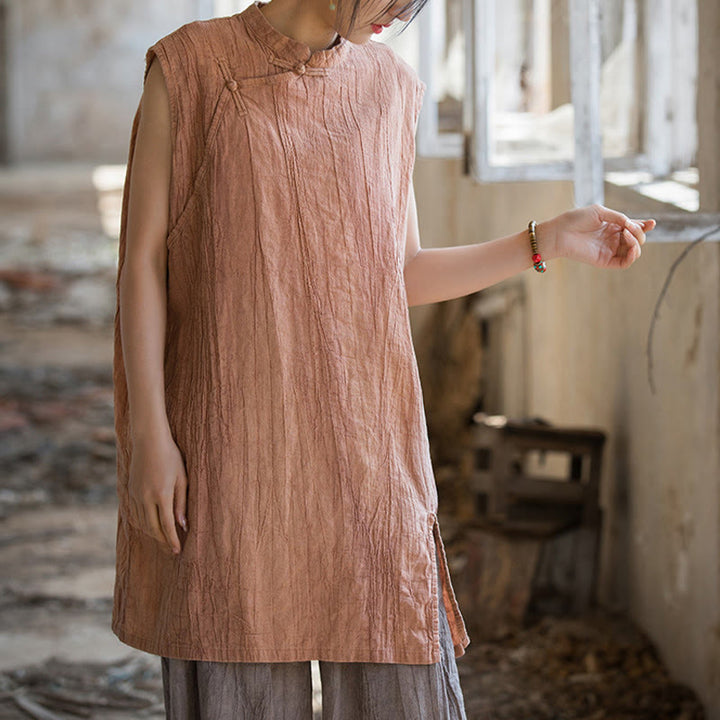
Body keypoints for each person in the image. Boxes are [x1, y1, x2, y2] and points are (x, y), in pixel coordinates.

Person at [111, 0, 656, 717]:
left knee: (398, 655)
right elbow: (144, 263)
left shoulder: (390, 88)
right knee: (234, 673)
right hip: (231, 450)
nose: (402, 12)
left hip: (368, 453)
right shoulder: (190, 69)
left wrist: (546, 239)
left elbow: (399, 272)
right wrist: (148, 435)